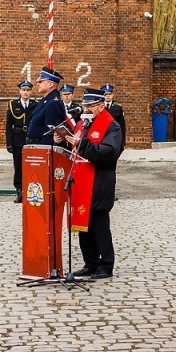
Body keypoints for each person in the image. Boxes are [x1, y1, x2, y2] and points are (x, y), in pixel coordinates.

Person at [65, 88, 123, 279]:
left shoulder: (111, 126)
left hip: (100, 181)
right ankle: (90, 262)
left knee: (99, 225)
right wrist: (62, 139)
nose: (86, 109)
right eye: (85, 105)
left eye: (90, 106)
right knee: (83, 224)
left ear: (100, 106)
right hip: (81, 180)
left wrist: (82, 144)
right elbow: (75, 146)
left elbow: (108, 152)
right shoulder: (83, 124)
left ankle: (106, 265)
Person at [5, 79, 34, 201]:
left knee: (31, 166)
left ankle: (29, 190)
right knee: (18, 167)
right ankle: (19, 191)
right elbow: (8, 126)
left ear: (31, 92)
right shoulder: (13, 104)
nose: (26, 93)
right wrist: (9, 144)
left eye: (28, 90)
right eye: (23, 90)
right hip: (17, 140)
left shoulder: (35, 104)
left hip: (31, 140)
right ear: (20, 91)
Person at [26, 68, 68, 142]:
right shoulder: (46, 100)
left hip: (42, 148)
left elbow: (50, 132)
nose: (38, 84)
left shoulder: (54, 103)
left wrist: (45, 150)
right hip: (35, 146)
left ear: (51, 84)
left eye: (41, 81)